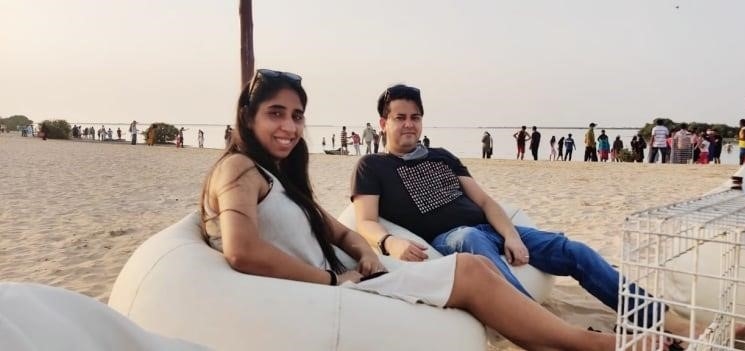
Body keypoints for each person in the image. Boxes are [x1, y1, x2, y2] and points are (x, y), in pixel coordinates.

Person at [199, 71, 632, 351]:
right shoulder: (239, 169)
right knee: (470, 251)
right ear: (247, 116)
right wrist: (344, 270)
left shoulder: (280, 178)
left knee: (516, 257)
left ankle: (605, 330)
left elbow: (342, 231)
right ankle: (586, 344)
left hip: (367, 269)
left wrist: (364, 254)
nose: (290, 127)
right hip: (337, 284)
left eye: (297, 115)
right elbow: (243, 251)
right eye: (276, 114)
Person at [350, 83, 733, 345]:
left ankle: (666, 321)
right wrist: (391, 241)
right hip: (449, 239)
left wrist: (513, 235)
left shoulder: (443, 156)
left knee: (572, 249)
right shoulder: (372, 165)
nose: (409, 124)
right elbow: (365, 219)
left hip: (489, 227)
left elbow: (485, 202)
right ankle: (549, 331)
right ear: (383, 123)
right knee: (471, 238)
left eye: (414, 116)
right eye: (399, 117)